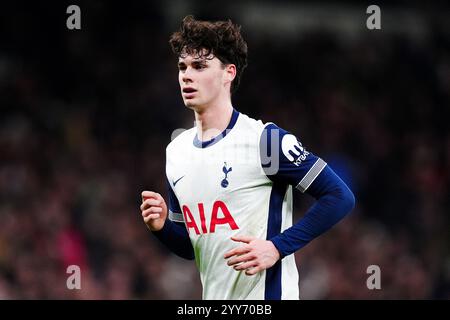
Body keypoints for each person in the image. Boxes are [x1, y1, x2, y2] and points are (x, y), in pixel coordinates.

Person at [140, 15, 355, 300]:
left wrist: (276, 247)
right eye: (182, 67)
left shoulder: (265, 140)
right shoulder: (176, 152)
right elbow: (193, 248)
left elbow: (339, 196)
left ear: (229, 73)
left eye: (200, 66)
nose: (187, 75)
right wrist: (162, 227)